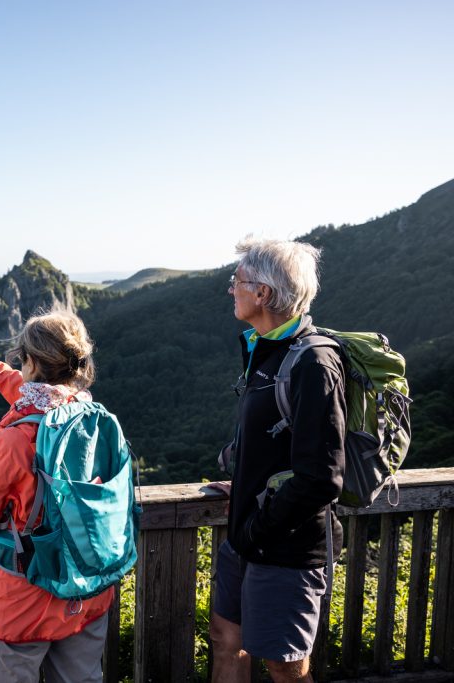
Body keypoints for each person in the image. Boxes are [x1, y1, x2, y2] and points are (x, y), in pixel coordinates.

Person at [209, 238, 345, 682]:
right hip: (249, 536)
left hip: (283, 545)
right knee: (227, 640)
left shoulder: (313, 363)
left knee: (284, 666)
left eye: (238, 281)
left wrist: (255, 528)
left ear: (263, 293)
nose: (232, 289)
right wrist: (245, 483)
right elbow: (273, 444)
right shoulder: (264, 350)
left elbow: (321, 478)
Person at [0, 308, 115, 683]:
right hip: (85, 594)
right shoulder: (91, 416)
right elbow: (29, 392)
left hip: (21, 600)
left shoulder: (16, 438)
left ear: (30, 362)